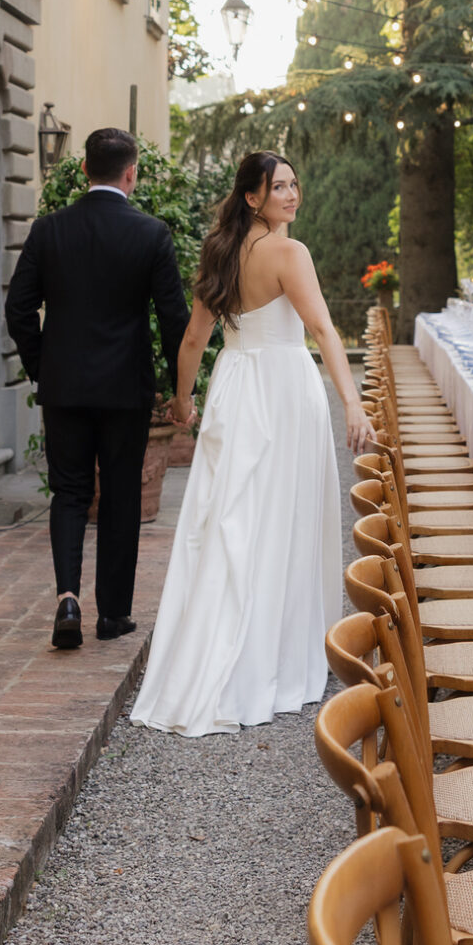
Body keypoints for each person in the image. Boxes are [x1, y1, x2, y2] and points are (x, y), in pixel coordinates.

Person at [129, 149, 375, 737]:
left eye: (294, 184)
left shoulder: (220, 251)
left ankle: (220, 649)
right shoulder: (290, 253)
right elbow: (322, 330)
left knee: (229, 518)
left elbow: (195, 340)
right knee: (281, 518)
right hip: (284, 389)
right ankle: (274, 655)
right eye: (278, 187)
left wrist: (184, 400)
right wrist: (353, 401)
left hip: (236, 386)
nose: (291, 195)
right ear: (252, 197)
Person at [4, 126, 190, 653]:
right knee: (122, 495)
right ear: (131, 174)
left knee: (69, 492)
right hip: (126, 390)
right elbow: (174, 319)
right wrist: (181, 390)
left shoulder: (49, 230)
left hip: (64, 386)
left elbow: (19, 308)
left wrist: (42, 366)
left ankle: (67, 598)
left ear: (84, 169)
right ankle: (113, 613)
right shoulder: (151, 234)